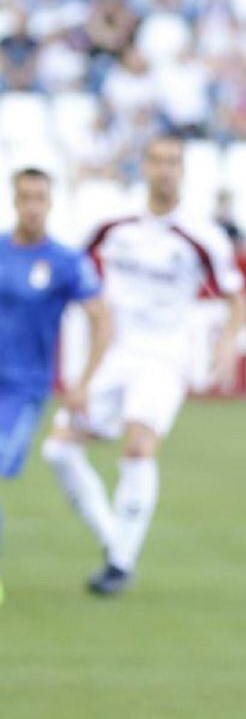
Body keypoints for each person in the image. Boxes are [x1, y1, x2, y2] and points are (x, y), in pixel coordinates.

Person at [43, 134, 246, 595]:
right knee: (58, 449)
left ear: (183, 170)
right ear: (144, 167)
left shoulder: (200, 235)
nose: (165, 170)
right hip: (113, 353)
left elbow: (235, 296)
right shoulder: (112, 225)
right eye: (157, 161)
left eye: (173, 162)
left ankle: (118, 564)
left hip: (163, 356)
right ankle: (117, 540)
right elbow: (69, 269)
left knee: (138, 444)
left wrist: (226, 345)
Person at [0, 168, 109, 602]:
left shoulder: (65, 262)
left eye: (39, 197)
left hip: (24, 389)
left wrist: (82, 382)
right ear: (13, 200)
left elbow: (102, 321)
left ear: (49, 202)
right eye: (24, 197)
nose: (31, 205)